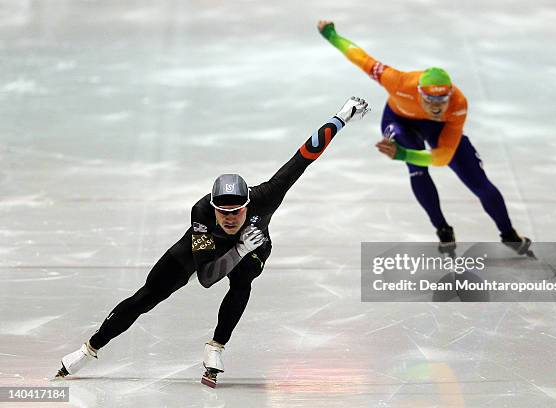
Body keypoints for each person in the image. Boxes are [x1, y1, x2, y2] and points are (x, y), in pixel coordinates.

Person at [55, 97, 370, 387]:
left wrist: (343, 115)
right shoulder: (202, 215)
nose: (230, 218)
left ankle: (216, 346)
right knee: (148, 295)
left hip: (254, 246)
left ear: (248, 204)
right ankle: (89, 348)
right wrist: (239, 245)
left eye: (237, 211)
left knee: (243, 280)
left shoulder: (267, 196)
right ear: (213, 208)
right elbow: (206, 278)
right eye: (224, 212)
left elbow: (304, 156)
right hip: (209, 248)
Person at [317, 21, 533, 257]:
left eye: (442, 102)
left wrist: (402, 155)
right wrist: (331, 35)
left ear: (450, 95)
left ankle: (508, 234)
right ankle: (442, 228)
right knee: (417, 167)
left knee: (478, 181)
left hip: (438, 130)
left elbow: (442, 158)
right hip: (400, 122)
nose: (437, 107)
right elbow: (360, 58)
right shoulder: (398, 81)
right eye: (430, 101)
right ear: (419, 92)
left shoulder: (458, 105)